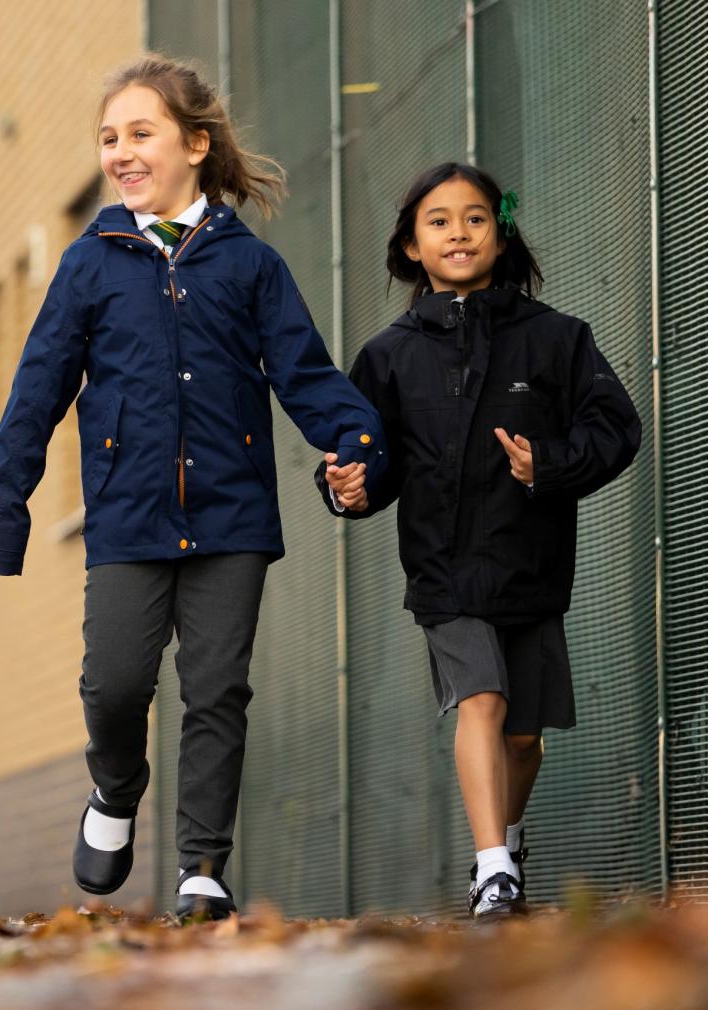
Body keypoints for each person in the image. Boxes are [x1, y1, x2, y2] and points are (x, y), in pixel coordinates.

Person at [0, 55, 385, 921]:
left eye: (139, 133)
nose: (120, 151)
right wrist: (0, 514)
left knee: (216, 688)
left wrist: (359, 454)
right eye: (108, 138)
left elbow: (306, 375)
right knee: (113, 686)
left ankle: (202, 865)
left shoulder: (248, 266)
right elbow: (36, 392)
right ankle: (116, 793)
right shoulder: (91, 264)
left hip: (232, 516)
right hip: (126, 513)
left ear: (195, 144)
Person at [320, 162, 640, 920]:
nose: (458, 232)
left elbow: (616, 429)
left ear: (501, 234)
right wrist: (348, 486)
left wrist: (548, 463)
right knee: (483, 700)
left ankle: (509, 837)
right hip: (443, 568)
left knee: (523, 738)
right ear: (409, 248)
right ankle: (494, 870)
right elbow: (366, 456)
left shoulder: (558, 339)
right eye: (438, 220)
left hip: (532, 563)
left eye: (474, 218)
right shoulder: (387, 355)